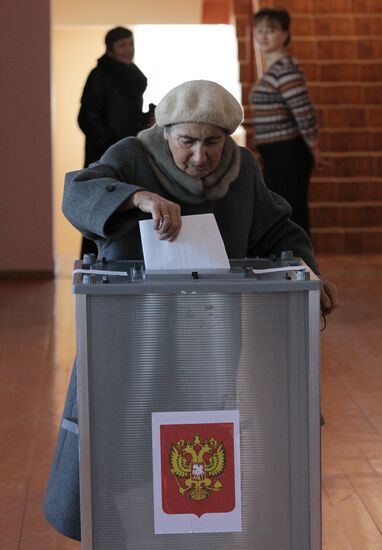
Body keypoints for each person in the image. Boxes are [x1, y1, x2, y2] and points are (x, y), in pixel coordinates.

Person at [44, 80, 338, 541]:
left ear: (228, 139)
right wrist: (137, 197)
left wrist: (311, 276)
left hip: (210, 334)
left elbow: (279, 229)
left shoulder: (243, 170)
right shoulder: (130, 156)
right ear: (166, 134)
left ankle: (194, 529)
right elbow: (76, 193)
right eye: (187, 142)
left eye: (213, 143)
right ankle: (125, 531)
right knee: (125, 439)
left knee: (198, 438)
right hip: (131, 333)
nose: (200, 157)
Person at [78, 26, 154, 256]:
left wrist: (145, 120)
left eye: (131, 43)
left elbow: (128, 116)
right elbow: (87, 117)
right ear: (111, 49)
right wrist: (111, 143)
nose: (128, 49)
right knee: (100, 204)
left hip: (127, 150)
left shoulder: (132, 74)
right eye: (122, 45)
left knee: (128, 203)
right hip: (104, 154)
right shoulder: (100, 74)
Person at [250, 7, 326, 235]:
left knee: (291, 212)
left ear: (284, 34)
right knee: (285, 209)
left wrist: (314, 147)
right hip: (277, 153)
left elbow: (304, 112)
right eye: (259, 30)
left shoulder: (286, 69)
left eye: (270, 30)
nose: (263, 36)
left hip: (288, 152)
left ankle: (303, 264)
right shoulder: (274, 68)